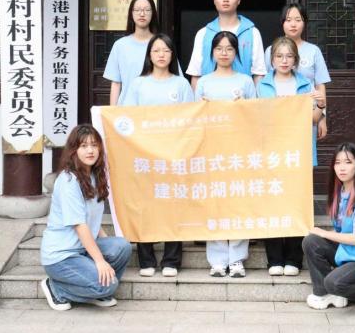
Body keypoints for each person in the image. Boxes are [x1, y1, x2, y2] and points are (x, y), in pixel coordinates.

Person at [122, 33, 194, 278]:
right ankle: (146, 259)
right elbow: (127, 118)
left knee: (173, 206)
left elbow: (190, 119)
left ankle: (172, 260)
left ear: (172, 55)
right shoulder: (138, 84)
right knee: (145, 207)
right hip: (144, 155)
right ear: (149, 55)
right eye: (156, 51)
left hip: (173, 156)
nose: (161, 55)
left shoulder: (181, 84)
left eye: (166, 50)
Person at [40, 124, 132, 311]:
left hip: (82, 250)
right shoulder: (68, 181)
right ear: (73, 150)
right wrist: (99, 260)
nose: (90, 150)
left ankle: (96, 289)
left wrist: (108, 248)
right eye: (83, 146)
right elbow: (80, 225)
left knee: (121, 246)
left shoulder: (94, 176)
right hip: (62, 256)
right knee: (108, 285)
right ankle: (57, 288)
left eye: (94, 145)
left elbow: (92, 219)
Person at [256, 37, 323, 277]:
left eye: (289, 56)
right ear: (272, 59)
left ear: (296, 60)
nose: (284, 61)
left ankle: (294, 258)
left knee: (297, 204)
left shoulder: (305, 85)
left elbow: (313, 119)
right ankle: (274, 259)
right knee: (271, 203)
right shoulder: (261, 86)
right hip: (270, 153)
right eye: (279, 56)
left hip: (298, 152)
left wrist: (319, 106)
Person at [195, 31, 256, 278]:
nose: (224, 53)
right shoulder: (203, 82)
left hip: (239, 150)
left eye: (229, 48)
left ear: (236, 53)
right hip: (212, 150)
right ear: (212, 52)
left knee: (239, 201)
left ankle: (237, 259)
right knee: (216, 202)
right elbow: (193, 117)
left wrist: (244, 106)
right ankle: (218, 260)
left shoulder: (246, 81)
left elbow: (256, 116)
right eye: (219, 48)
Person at [302, 142, 355, 311]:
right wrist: (320, 234)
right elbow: (341, 231)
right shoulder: (339, 193)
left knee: (333, 282)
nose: (342, 168)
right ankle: (324, 293)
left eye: (348, 162)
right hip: (348, 252)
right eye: (338, 162)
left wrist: (324, 233)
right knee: (311, 241)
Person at [186, 0, 266, 89]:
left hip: (242, 97)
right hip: (210, 97)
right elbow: (196, 74)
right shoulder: (203, 33)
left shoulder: (252, 32)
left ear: (239, 0)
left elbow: (258, 73)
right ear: (214, 0)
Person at [264, 3, 329, 139]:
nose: (293, 24)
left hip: (307, 115)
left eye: (298, 20)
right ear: (282, 23)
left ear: (304, 23)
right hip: (277, 117)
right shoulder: (271, 51)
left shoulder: (313, 51)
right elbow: (266, 82)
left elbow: (320, 85)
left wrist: (322, 116)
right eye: (288, 20)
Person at [103, 0, 159, 106]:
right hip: (127, 109)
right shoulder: (120, 46)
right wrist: (113, 112)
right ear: (131, 14)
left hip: (155, 109)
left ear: (153, 13)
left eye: (147, 10)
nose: (142, 14)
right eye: (137, 10)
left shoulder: (161, 44)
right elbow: (116, 83)